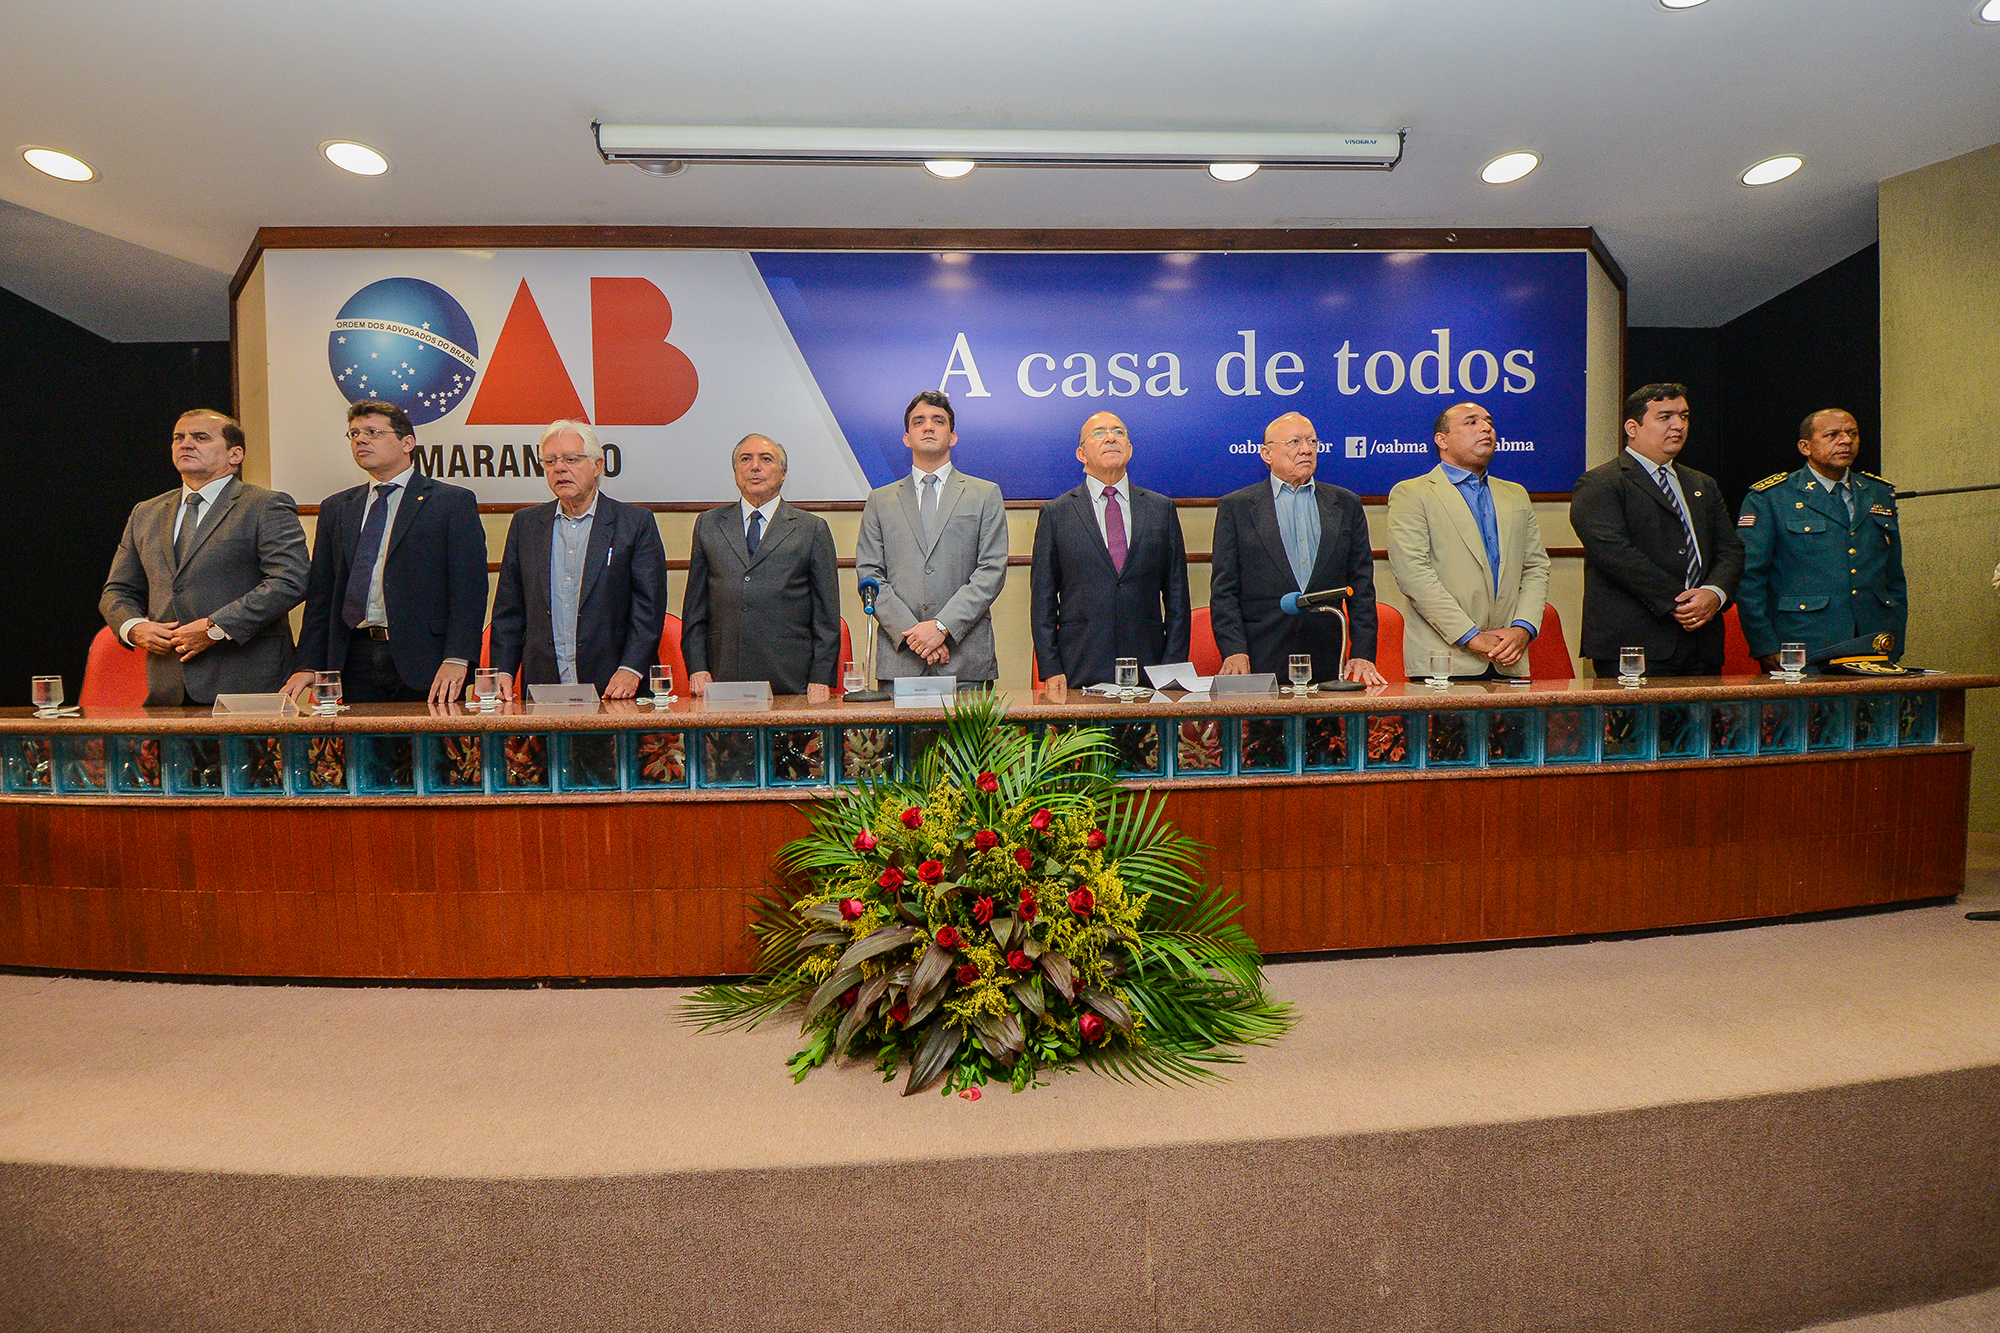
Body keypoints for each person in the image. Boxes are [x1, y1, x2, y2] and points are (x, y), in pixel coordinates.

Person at [99, 410, 309, 705]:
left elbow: (290, 580)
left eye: (200, 438)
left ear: (235, 454)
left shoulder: (265, 505)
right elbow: (117, 591)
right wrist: (133, 627)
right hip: (167, 688)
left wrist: (215, 627)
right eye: (179, 438)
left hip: (246, 683)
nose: (186, 444)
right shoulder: (145, 512)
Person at [284, 400, 487, 705]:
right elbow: (322, 595)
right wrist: (308, 664)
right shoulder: (337, 508)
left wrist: (458, 657)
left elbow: (468, 587)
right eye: (353, 434)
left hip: (426, 659)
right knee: (362, 753)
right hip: (354, 658)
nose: (361, 440)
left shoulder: (450, 502)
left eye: (373, 432)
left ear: (407, 443)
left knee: (428, 753)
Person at [1570, 384, 1743, 677]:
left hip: (1702, 642)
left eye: (1684, 416)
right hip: (1635, 645)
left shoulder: (1702, 484)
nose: (1678, 426)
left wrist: (1713, 595)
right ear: (1632, 427)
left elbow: (1730, 550)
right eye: (1665, 417)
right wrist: (1680, 601)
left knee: (1702, 724)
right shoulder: (1601, 483)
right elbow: (1615, 555)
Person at [487, 420, 666, 700]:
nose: (559, 468)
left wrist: (631, 668)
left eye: (571, 459)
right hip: (544, 685)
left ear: (597, 465)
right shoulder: (526, 525)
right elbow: (509, 609)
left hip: (615, 686)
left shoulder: (634, 523)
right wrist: (504, 671)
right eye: (550, 461)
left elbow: (649, 608)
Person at [1211, 411, 1383, 684]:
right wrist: (1234, 650)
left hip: (1328, 654)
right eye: (1294, 442)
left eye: (1312, 442)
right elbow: (1224, 591)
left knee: (1326, 728)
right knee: (1266, 728)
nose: (1306, 450)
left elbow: (1361, 586)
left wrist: (1362, 652)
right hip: (1262, 654)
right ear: (1267, 454)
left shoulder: (1345, 504)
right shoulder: (1237, 507)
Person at [853, 391, 1009, 687]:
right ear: (906, 437)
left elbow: (991, 571)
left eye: (938, 421)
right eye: (918, 422)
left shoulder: (985, 494)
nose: (928, 427)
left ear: (952, 437)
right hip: (902, 661)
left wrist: (941, 627)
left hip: (965, 661)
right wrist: (917, 634)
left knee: (969, 738)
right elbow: (870, 575)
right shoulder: (880, 500)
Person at [1386, 402, 1551, 680]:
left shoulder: (1516, 495)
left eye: (1489, 422)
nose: (1486, 428)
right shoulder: (1412, 493)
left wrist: (1522, 629)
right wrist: (1470, 636)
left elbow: (1536, 567)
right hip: (1444, 662)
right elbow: (1413, 574)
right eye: (1471, 422)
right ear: (1442, 440)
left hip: (1508, 657)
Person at [1030, 411, 1190, 692]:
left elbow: (1177, 597)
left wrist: (1172, 667)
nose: (1110, 438)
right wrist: (1051, 667)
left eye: (1119, 432)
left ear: (1129, 449)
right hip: (1079, 666)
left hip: (1149, 668)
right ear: (1081, 454)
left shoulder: (1160, 509)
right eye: (1098, 433)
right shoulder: (1056, 513)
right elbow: (1043, 599)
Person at [1736, 408, 1906, 668]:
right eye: (1832, 435)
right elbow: (1749, 579)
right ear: (1805, 446)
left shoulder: (1879, 493)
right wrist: (1764, 644)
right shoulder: (1772, 497)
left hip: (1873, 639)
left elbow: (1893, 576)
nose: (1846, 441)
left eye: (1852, 434)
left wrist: (1895, 637)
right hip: (1805, 641)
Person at [682, 433, 842, 701]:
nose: (754, 466)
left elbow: (826, 616)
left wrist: (821, 677)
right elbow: (694, 609)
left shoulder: (811, 529)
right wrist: (697, 667)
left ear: (783, 474)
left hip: (791, 679)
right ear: (736, 472)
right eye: (746, 459)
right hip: (723, 677)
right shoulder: (708, 525)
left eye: (765, 459)